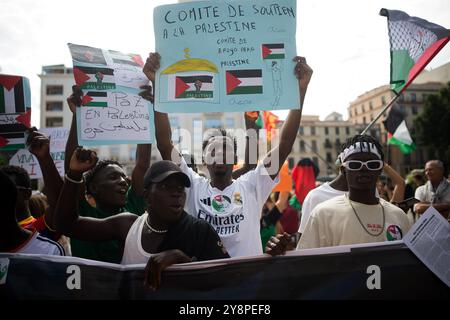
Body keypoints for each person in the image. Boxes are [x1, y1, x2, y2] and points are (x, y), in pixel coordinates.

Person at [143, 53, 313, 257]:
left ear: (234, 159)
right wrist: (158, 89)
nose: (220, 154)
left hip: (247, 281)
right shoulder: (193, 186)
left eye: (227, 150)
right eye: (213, 150)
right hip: (206, 282)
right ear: (204, 160)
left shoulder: (252, 185)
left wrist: (300, 92)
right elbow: (164, 144)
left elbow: (284, 146)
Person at [55, 148, 229, 289]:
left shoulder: (200, 230)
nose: (176, 193)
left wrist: (182, 261)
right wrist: (75, 174)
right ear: (146, 196)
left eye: (180, 187)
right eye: (166, 186)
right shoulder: (128, 225)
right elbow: (66, 225)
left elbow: (228, 280)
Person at [266, 135, 411, 253]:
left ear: (380, 169)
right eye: (355, 165)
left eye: (373, 164)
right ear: (343, 169)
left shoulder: (398, 216)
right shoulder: (322, 212)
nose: (364, 169)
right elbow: (307, 258)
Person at [63, 89, 151, 263]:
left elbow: (142, 165)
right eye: (113, 177)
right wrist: (77, 116)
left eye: (124, 178)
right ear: (94, 188)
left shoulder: (133, 207)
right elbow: (71, 168)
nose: (123, 182)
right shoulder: (82, 213)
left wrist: (144, 112)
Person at [0, 171, 64, 256]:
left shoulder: (38, 227)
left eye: (10, 188)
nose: (4, 194)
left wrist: (44, 159)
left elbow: (59, 205)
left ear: (27, 193)